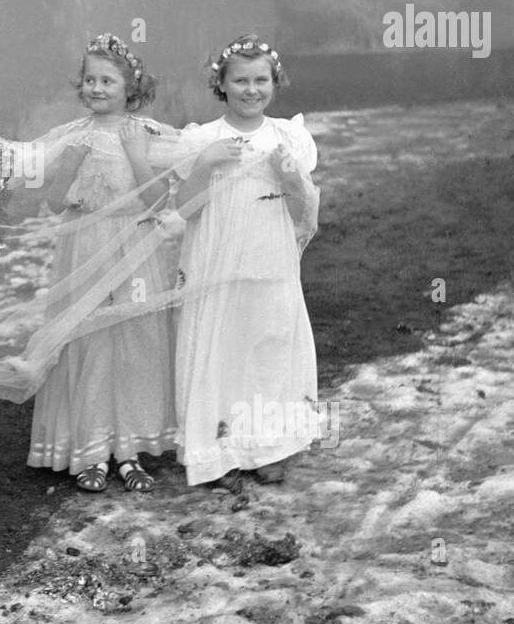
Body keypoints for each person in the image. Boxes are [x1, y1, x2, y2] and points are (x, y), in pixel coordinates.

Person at [27, 35, 178, 492]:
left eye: (107, 80)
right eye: (90, 79)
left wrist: (135, 157)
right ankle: (90, 449)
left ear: (130, 88)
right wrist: (70, 164)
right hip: (86, 248)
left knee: (133, 341)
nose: (96, 88)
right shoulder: (72, 137)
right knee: (87, 340)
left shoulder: (146, 135)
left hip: (133, 249)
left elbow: (158, 202)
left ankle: (128, 449)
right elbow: (53, 203)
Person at [171, 34, 320, 490]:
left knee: (269, 345)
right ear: (222, 83)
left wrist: (290, 174)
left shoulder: (287, 136)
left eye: (261, 80)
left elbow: (304, 208)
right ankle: (219, 450)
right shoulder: (203, 139)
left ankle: (268, 445)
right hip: (216, 262)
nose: (251, 90)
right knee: (222, 346)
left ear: (275, 82)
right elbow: (185, 207)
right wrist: (205, 165)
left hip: (269, 257)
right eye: (240, 80)